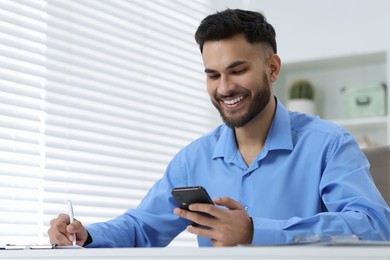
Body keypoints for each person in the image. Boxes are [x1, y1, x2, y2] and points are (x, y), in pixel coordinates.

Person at [48, 8, 390, 247]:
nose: (224, 87)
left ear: (272, 68)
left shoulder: (329, 145)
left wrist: (256, 230)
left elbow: (376, 226)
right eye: (213, 75)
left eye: (237, 70)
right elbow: (142, 227)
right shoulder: (193, 160)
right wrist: (84, 234)